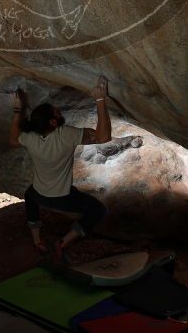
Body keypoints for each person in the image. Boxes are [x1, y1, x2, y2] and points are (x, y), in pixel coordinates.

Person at [8, 76, 111, 261]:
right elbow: (103, 137)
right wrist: (100, 99)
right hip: (62, 198)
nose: (60, 113)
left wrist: (17, 109)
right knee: (98, 211)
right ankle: (64, 241)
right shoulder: (65, 134)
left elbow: (13, 140)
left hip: (39, 193)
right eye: (57, 113)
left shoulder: (30, 137)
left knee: (29, 196)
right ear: (53, 123)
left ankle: (37, 240)